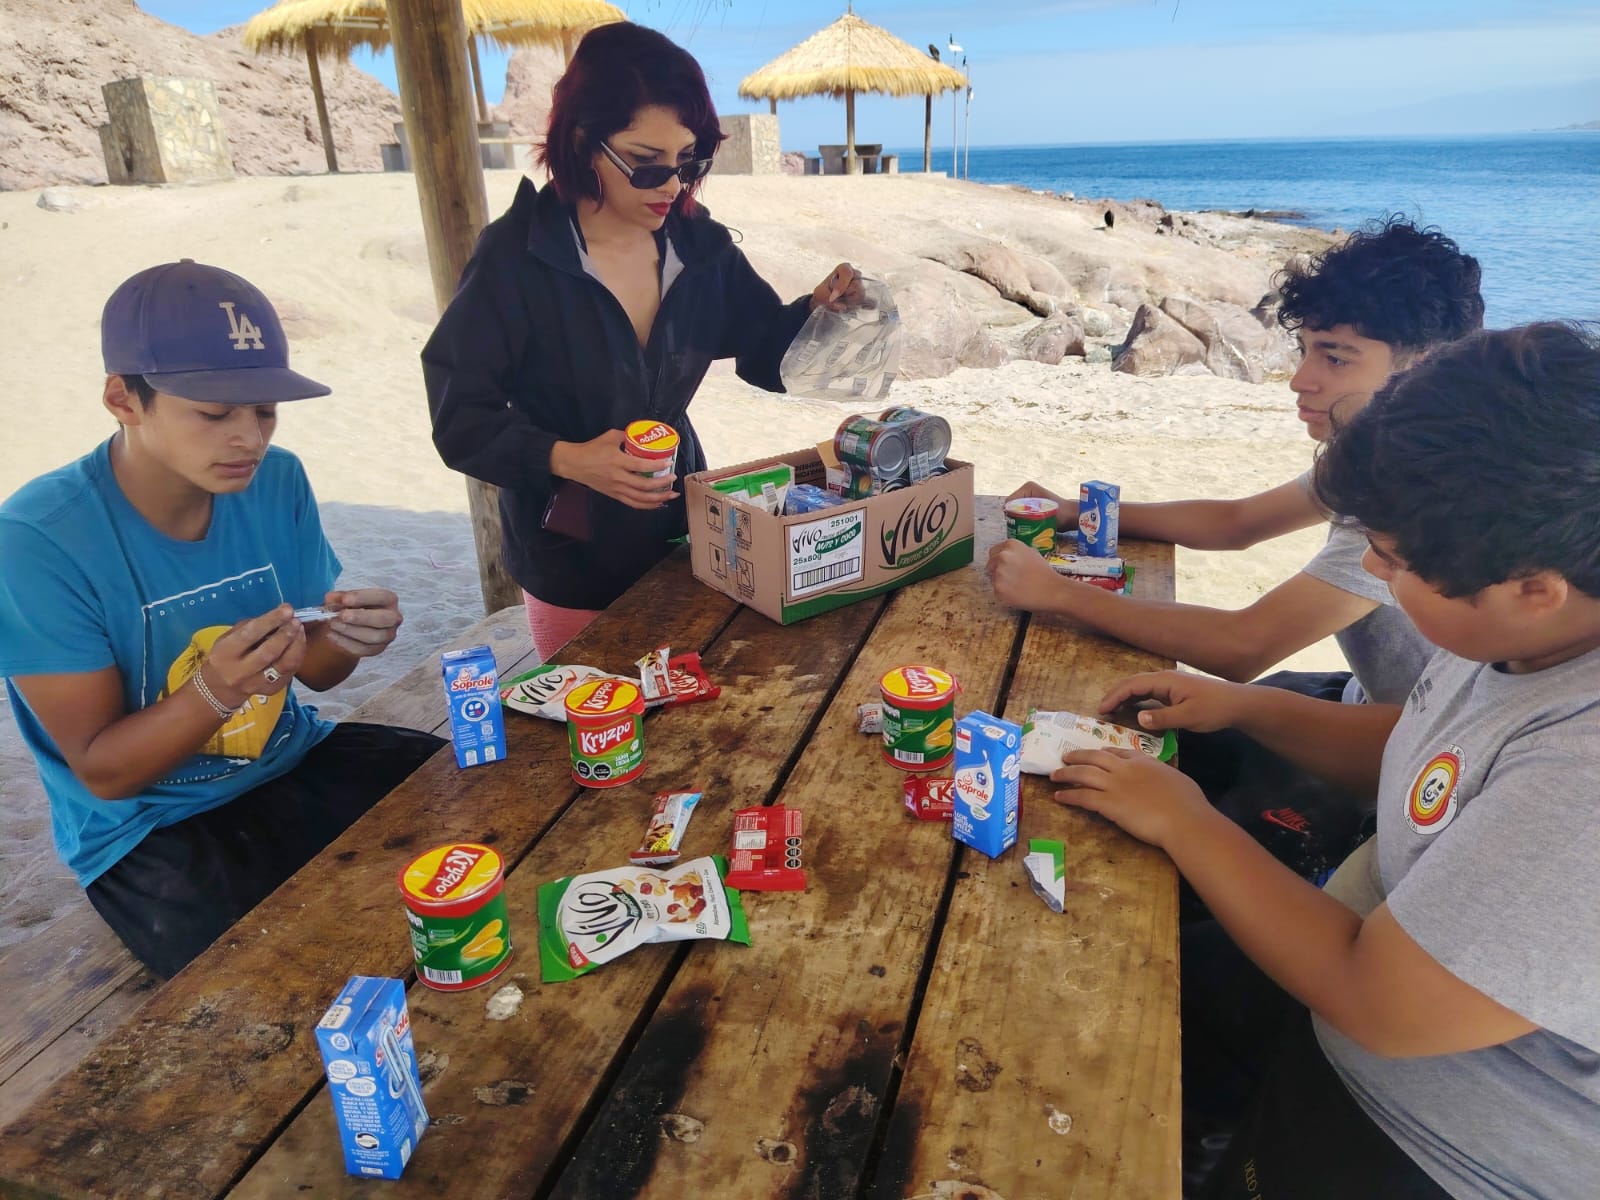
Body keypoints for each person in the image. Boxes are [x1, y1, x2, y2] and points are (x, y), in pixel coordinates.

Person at [1052, 323, 1600, 1199]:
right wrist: (1249, 707)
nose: (1375, 572)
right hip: (1349, 971)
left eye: (1395, 559)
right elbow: (1443, 755)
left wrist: (1185, 820)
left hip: (1432, 1143)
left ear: (1537, 590)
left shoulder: (1585, 783)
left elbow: (1381, 1002)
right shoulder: (1532, 618)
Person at [991, 218, 1485, 878]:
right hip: (1361, 705)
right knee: (1118, 730)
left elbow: (1245, 646)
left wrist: (1056, 594)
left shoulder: (1415, 493)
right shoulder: (1371, 456)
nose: (1300, 380)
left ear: (1422, 367)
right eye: (1306, 350)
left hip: (1413, 775)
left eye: (1335, 358)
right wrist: (1075, 511)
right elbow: (1237, 522)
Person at [0, 261, 444, 979]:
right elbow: (104, 772)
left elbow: (320, 674)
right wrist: (214, 691)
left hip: (288, 759)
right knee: (272, 983)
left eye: (265, 409)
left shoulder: (277, 480)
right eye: (214, 413)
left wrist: (352, 638)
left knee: (467, 799)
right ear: (124, 399)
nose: (250, 439)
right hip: (151, 829)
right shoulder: (38, 538)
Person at [425, 22, 863, 659]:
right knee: (597, 717)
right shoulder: (516, 258)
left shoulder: (697, 245)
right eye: (645, 163)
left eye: (688, 162)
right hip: (567, 549)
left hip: (686, 529)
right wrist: (571, 458)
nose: (672, 186)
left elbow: (766, 349)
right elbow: (459, 417)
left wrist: (819, 310)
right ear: (581, 140)